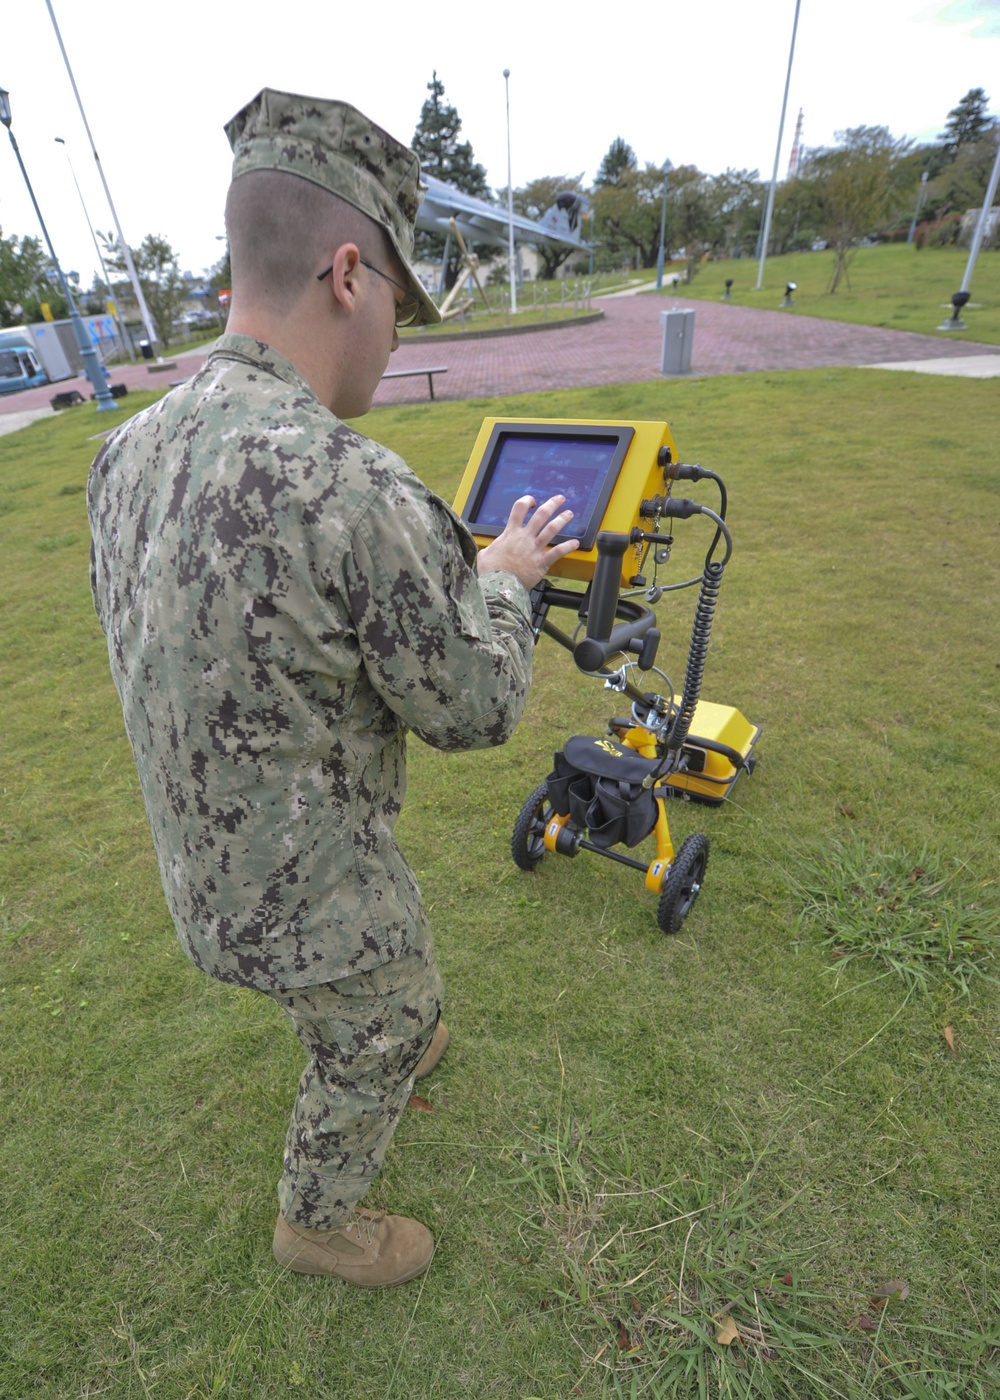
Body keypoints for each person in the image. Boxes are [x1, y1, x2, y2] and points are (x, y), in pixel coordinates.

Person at [87, 88, 578, 1289]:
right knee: (393, 1001)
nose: (398, 338)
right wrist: (504, 578)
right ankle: (316, 1216)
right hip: (300, 884)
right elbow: (476, 705)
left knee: (386, 992)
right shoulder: (350, 484)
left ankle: (380, 1031)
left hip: (197, 870)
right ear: (348, 275)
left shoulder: (128, 447)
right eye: (402, 309)